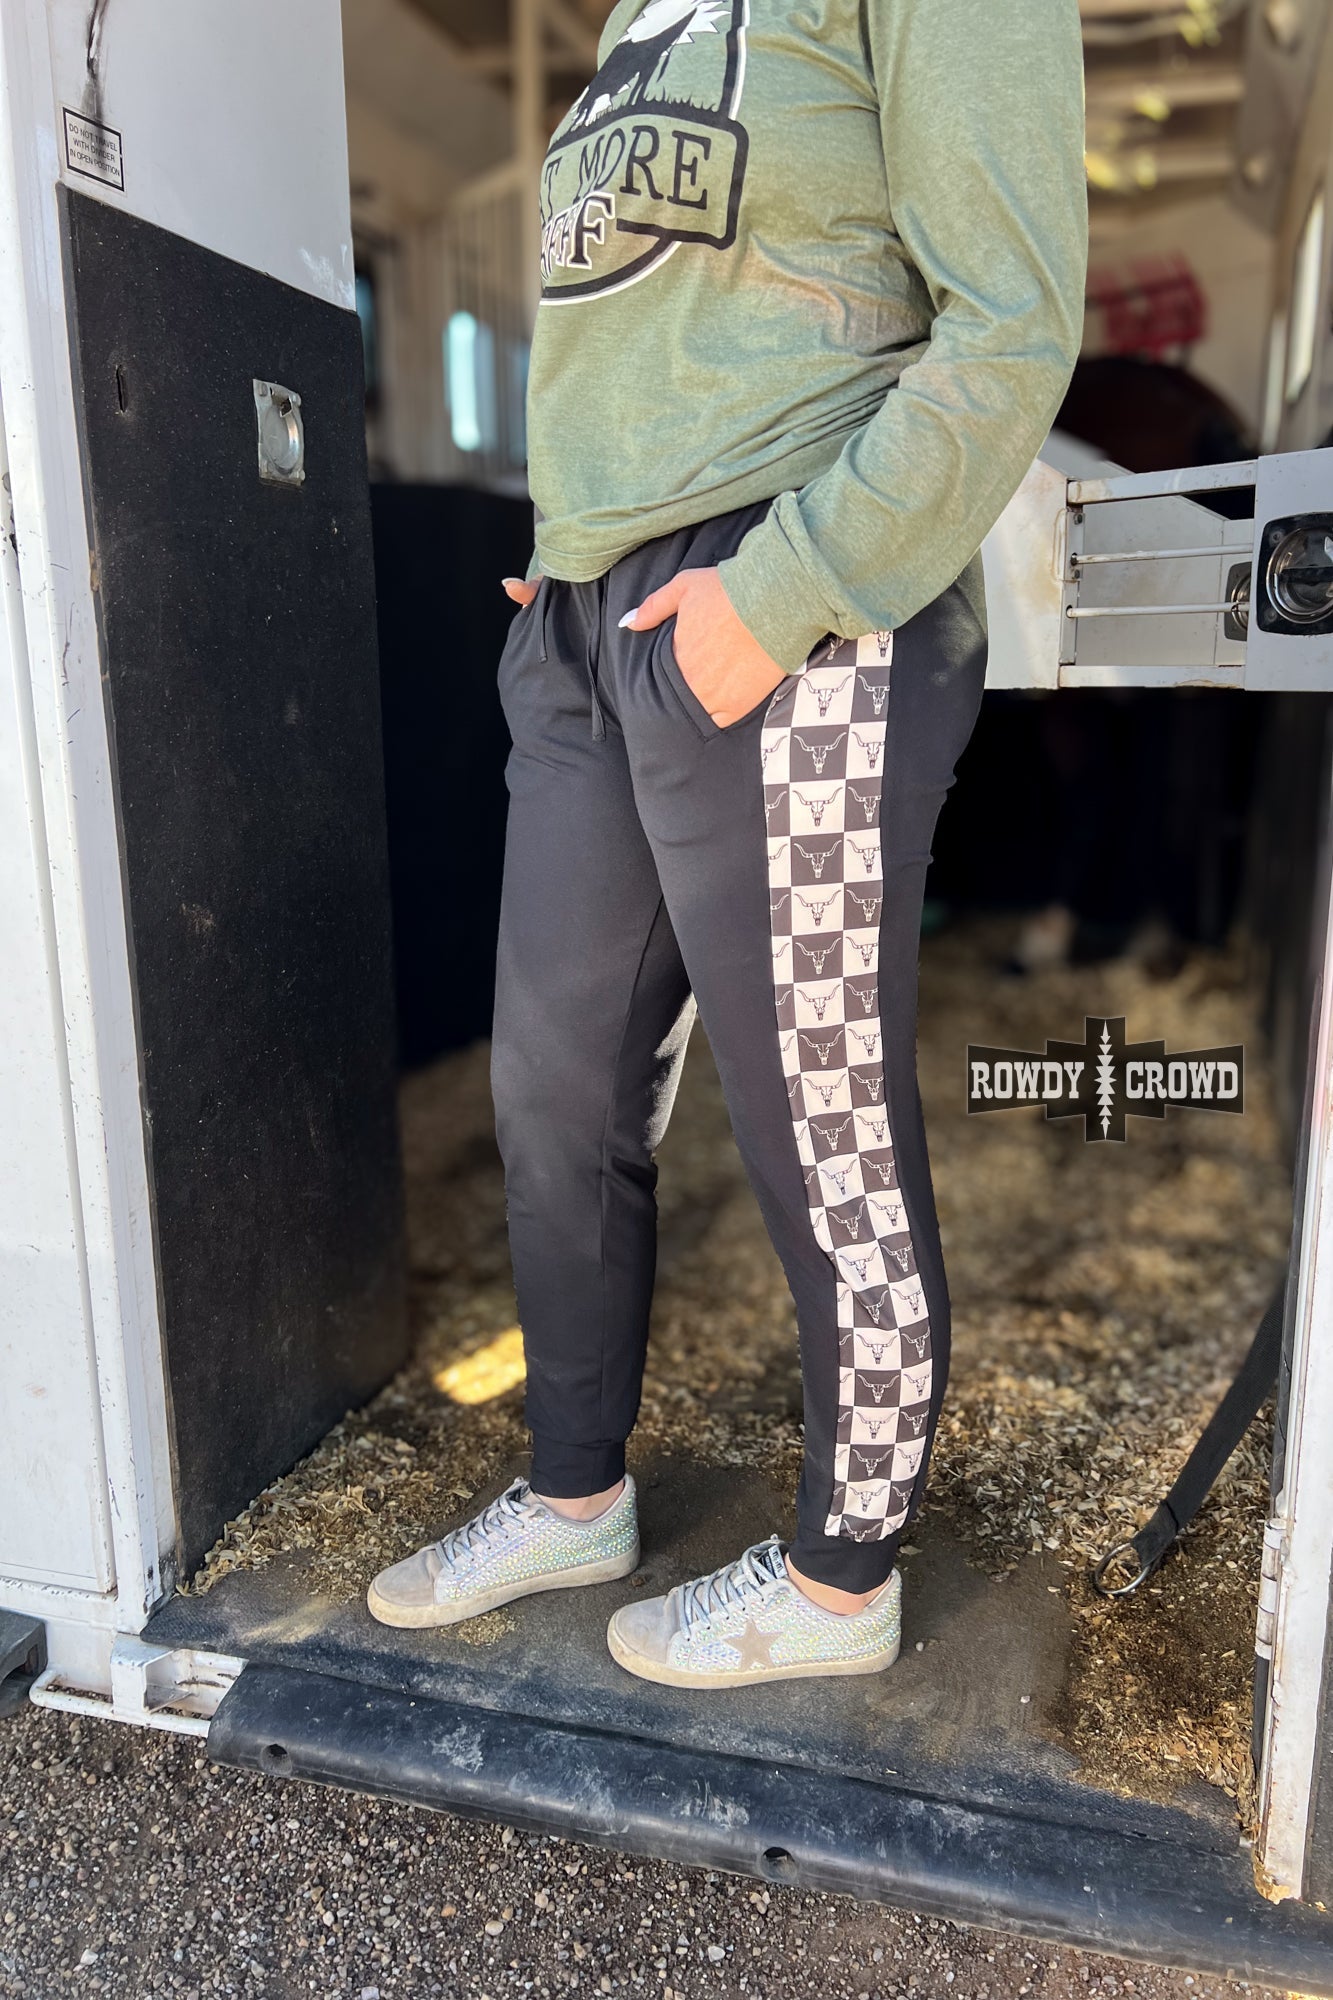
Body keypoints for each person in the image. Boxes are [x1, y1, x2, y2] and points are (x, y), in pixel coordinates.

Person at [369, 0, 1088, 1688]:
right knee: (553, 1093)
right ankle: (574, 1494)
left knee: (817, 1124)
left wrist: (784, 593)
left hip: (788, 598)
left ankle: (842, 1583)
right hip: (586, 620)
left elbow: (1010, 319)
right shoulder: (639, 15)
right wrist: (572, 552)